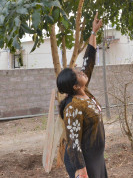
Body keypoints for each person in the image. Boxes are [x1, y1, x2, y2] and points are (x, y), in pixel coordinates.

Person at [57, 12, 107, 178]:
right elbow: (73, 142)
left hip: (96, 158)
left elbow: (89, 60)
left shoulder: (84, 92)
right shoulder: (73, 108)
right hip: (84, 162)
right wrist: (81, 169)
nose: (81, 71)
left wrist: (93, 32)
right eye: (78, 73)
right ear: (75, 85)